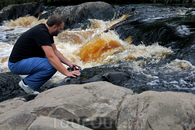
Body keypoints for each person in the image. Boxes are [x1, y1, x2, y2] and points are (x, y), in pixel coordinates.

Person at [8, 14, 81, 95]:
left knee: (53, 59)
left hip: (24, 60)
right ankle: (27, 84)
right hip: (16, 64)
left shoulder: (46, 30)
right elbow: (51, 57)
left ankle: (30, 78)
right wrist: (66, 73)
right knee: (52, 65)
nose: (61, 31)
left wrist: (69, 64)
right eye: (60, 29)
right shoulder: (42, 33)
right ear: (54, 27)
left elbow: (55, 51)